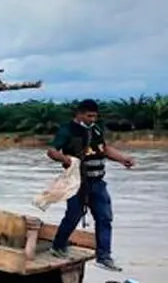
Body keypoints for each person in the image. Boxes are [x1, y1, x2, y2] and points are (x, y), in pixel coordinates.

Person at [45, 99, 136, 271]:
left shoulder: (96, 129)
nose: (92, 119)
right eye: (89, 116)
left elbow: (105, 149)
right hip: (76, 183)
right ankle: (58, 246)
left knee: (105, 218)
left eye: (94, 116)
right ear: (79, 114)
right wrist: (67, 160)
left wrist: (123, 159)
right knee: (73, 215)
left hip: (98, 182)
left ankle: (104, 256)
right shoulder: (67, 130)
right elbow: (51, 151)